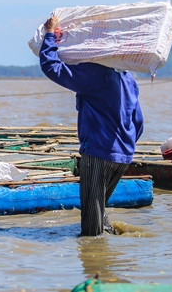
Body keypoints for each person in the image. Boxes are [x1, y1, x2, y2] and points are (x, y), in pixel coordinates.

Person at [39, 15, 143, 236]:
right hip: (123, 156)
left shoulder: (95, 73)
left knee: (91, 229)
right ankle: (110, 252)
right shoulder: (128, 78)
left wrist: (49, 34)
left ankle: (96, 265)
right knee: (100, 210)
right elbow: (138, 123)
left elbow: (51, 66)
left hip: (98, 154)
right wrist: (123, 146)